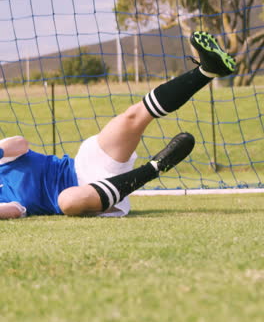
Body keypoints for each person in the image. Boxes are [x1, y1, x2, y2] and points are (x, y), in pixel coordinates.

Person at [0, 31, 235, 219]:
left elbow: (20, 144)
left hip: (83, 164)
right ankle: (154, 168)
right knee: (67, 201)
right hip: (91, 197)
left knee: (132, 116)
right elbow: (13, 211)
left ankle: (208, 70)